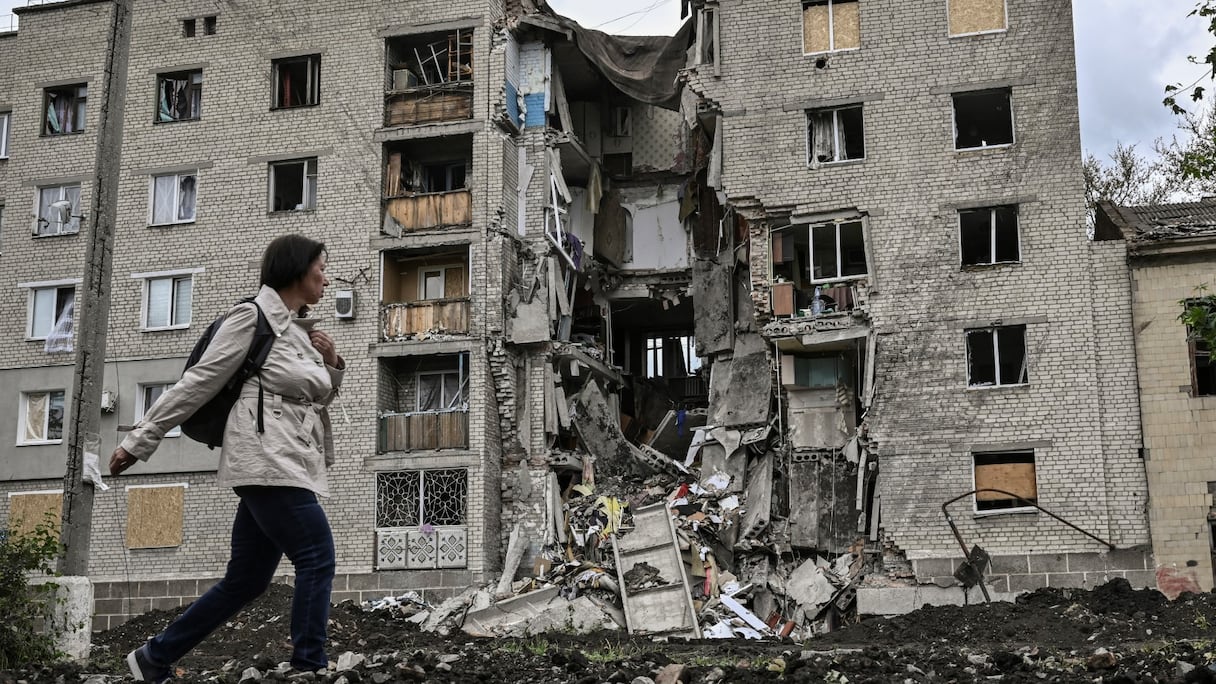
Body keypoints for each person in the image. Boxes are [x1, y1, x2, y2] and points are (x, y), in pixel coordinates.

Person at [110, 234, 345, 682]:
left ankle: (153, 658)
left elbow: (318, 395)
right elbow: (198, 383)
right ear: (297, 270)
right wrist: (140, 440)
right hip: (266, 459)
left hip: (292, 459)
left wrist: (331, 362)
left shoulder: (299, 334)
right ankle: (309, 665)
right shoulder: (251, 318)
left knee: (247, 580)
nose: (326, 279)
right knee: (317, 555)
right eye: (321, 269)